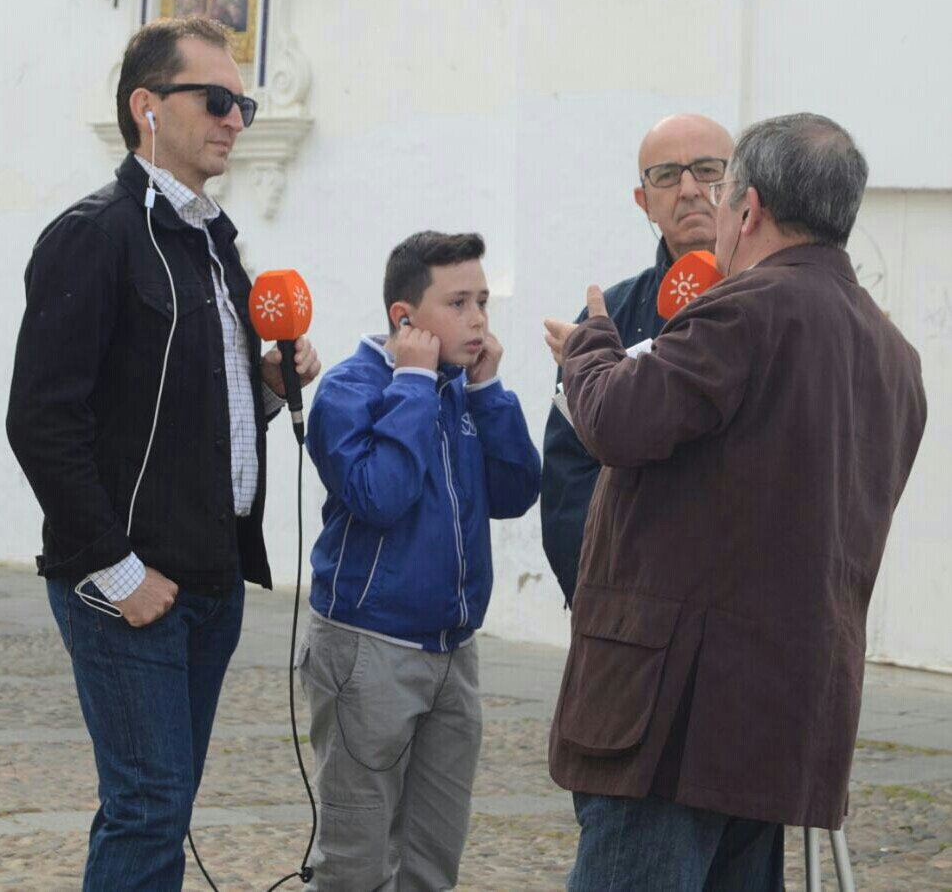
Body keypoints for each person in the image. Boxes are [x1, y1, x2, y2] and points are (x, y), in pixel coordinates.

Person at [543, 113, 927, 891]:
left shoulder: (747, 308)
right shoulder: (895, 356)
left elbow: (617, 417)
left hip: (675, 721)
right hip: (783, 718)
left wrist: (589, 345)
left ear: (746, 210)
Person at [5, 16, 321, 891]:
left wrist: (270, 381)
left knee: (161, 806)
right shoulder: (96, 233)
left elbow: (196, 411)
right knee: (149, 805)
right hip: (128, 584)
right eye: (215, 99)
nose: (235, 118)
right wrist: (116, 569)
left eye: (245, 103)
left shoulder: (215, 244)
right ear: (147, 107)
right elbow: (39, 418)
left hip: (207, 578)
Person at [300, 231, 541, 890]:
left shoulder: (464, 390)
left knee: (433, 857)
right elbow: (381, 494)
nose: (479, 319)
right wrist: (410, 380)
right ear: (404, 317)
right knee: (356, 861)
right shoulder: (350, 391)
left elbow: (518, 490)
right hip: (368, 648)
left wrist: (490, 391)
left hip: (452, 651)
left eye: (483, 301)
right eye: (459, 302)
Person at [541, 113, 733, 605]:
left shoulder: (778, 308)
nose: (689, 188)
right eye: (667, 175)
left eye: (709, 170)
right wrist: (598, 590)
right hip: (631, 604)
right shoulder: (610, 317)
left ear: (740, 188)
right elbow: (570, 471)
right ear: (643, 201)